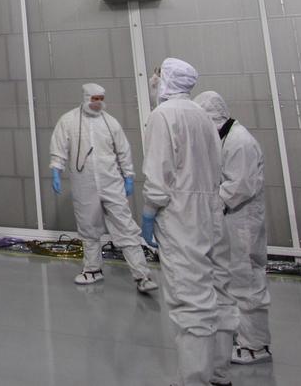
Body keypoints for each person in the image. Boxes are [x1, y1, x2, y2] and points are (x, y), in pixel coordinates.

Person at [140, 59, 237, 386]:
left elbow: (159, 173)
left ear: (165, 79)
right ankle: (219, 372)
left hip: (182, 215)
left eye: (156, 74)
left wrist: (150, 211)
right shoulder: (201, 115)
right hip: (210, 211)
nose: (153, 80)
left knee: (190, 299)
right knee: (218, 289)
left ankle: (194, 379)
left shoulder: (163, 116)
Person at [49, 83, 158, 293]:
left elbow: (123, 151)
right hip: (84, 185)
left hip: (111, 183)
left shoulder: (110, 123)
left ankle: (142, 276)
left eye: (101, 99)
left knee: (125, 226)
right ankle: (92, 270)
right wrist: (56, 170)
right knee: (88, 228)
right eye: (94, 99)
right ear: (86, 98)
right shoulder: (69, 120)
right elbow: (59, 146)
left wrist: (128, 176)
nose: (98, 103)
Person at [194, 90, 272, 366]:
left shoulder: (240, 141)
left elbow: (240, 185)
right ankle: (242, 337)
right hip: (231, 220)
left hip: (242, 222)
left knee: (246, 281)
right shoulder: (224, 137)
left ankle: (255, 346)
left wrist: (208, 204)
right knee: (234, 280)